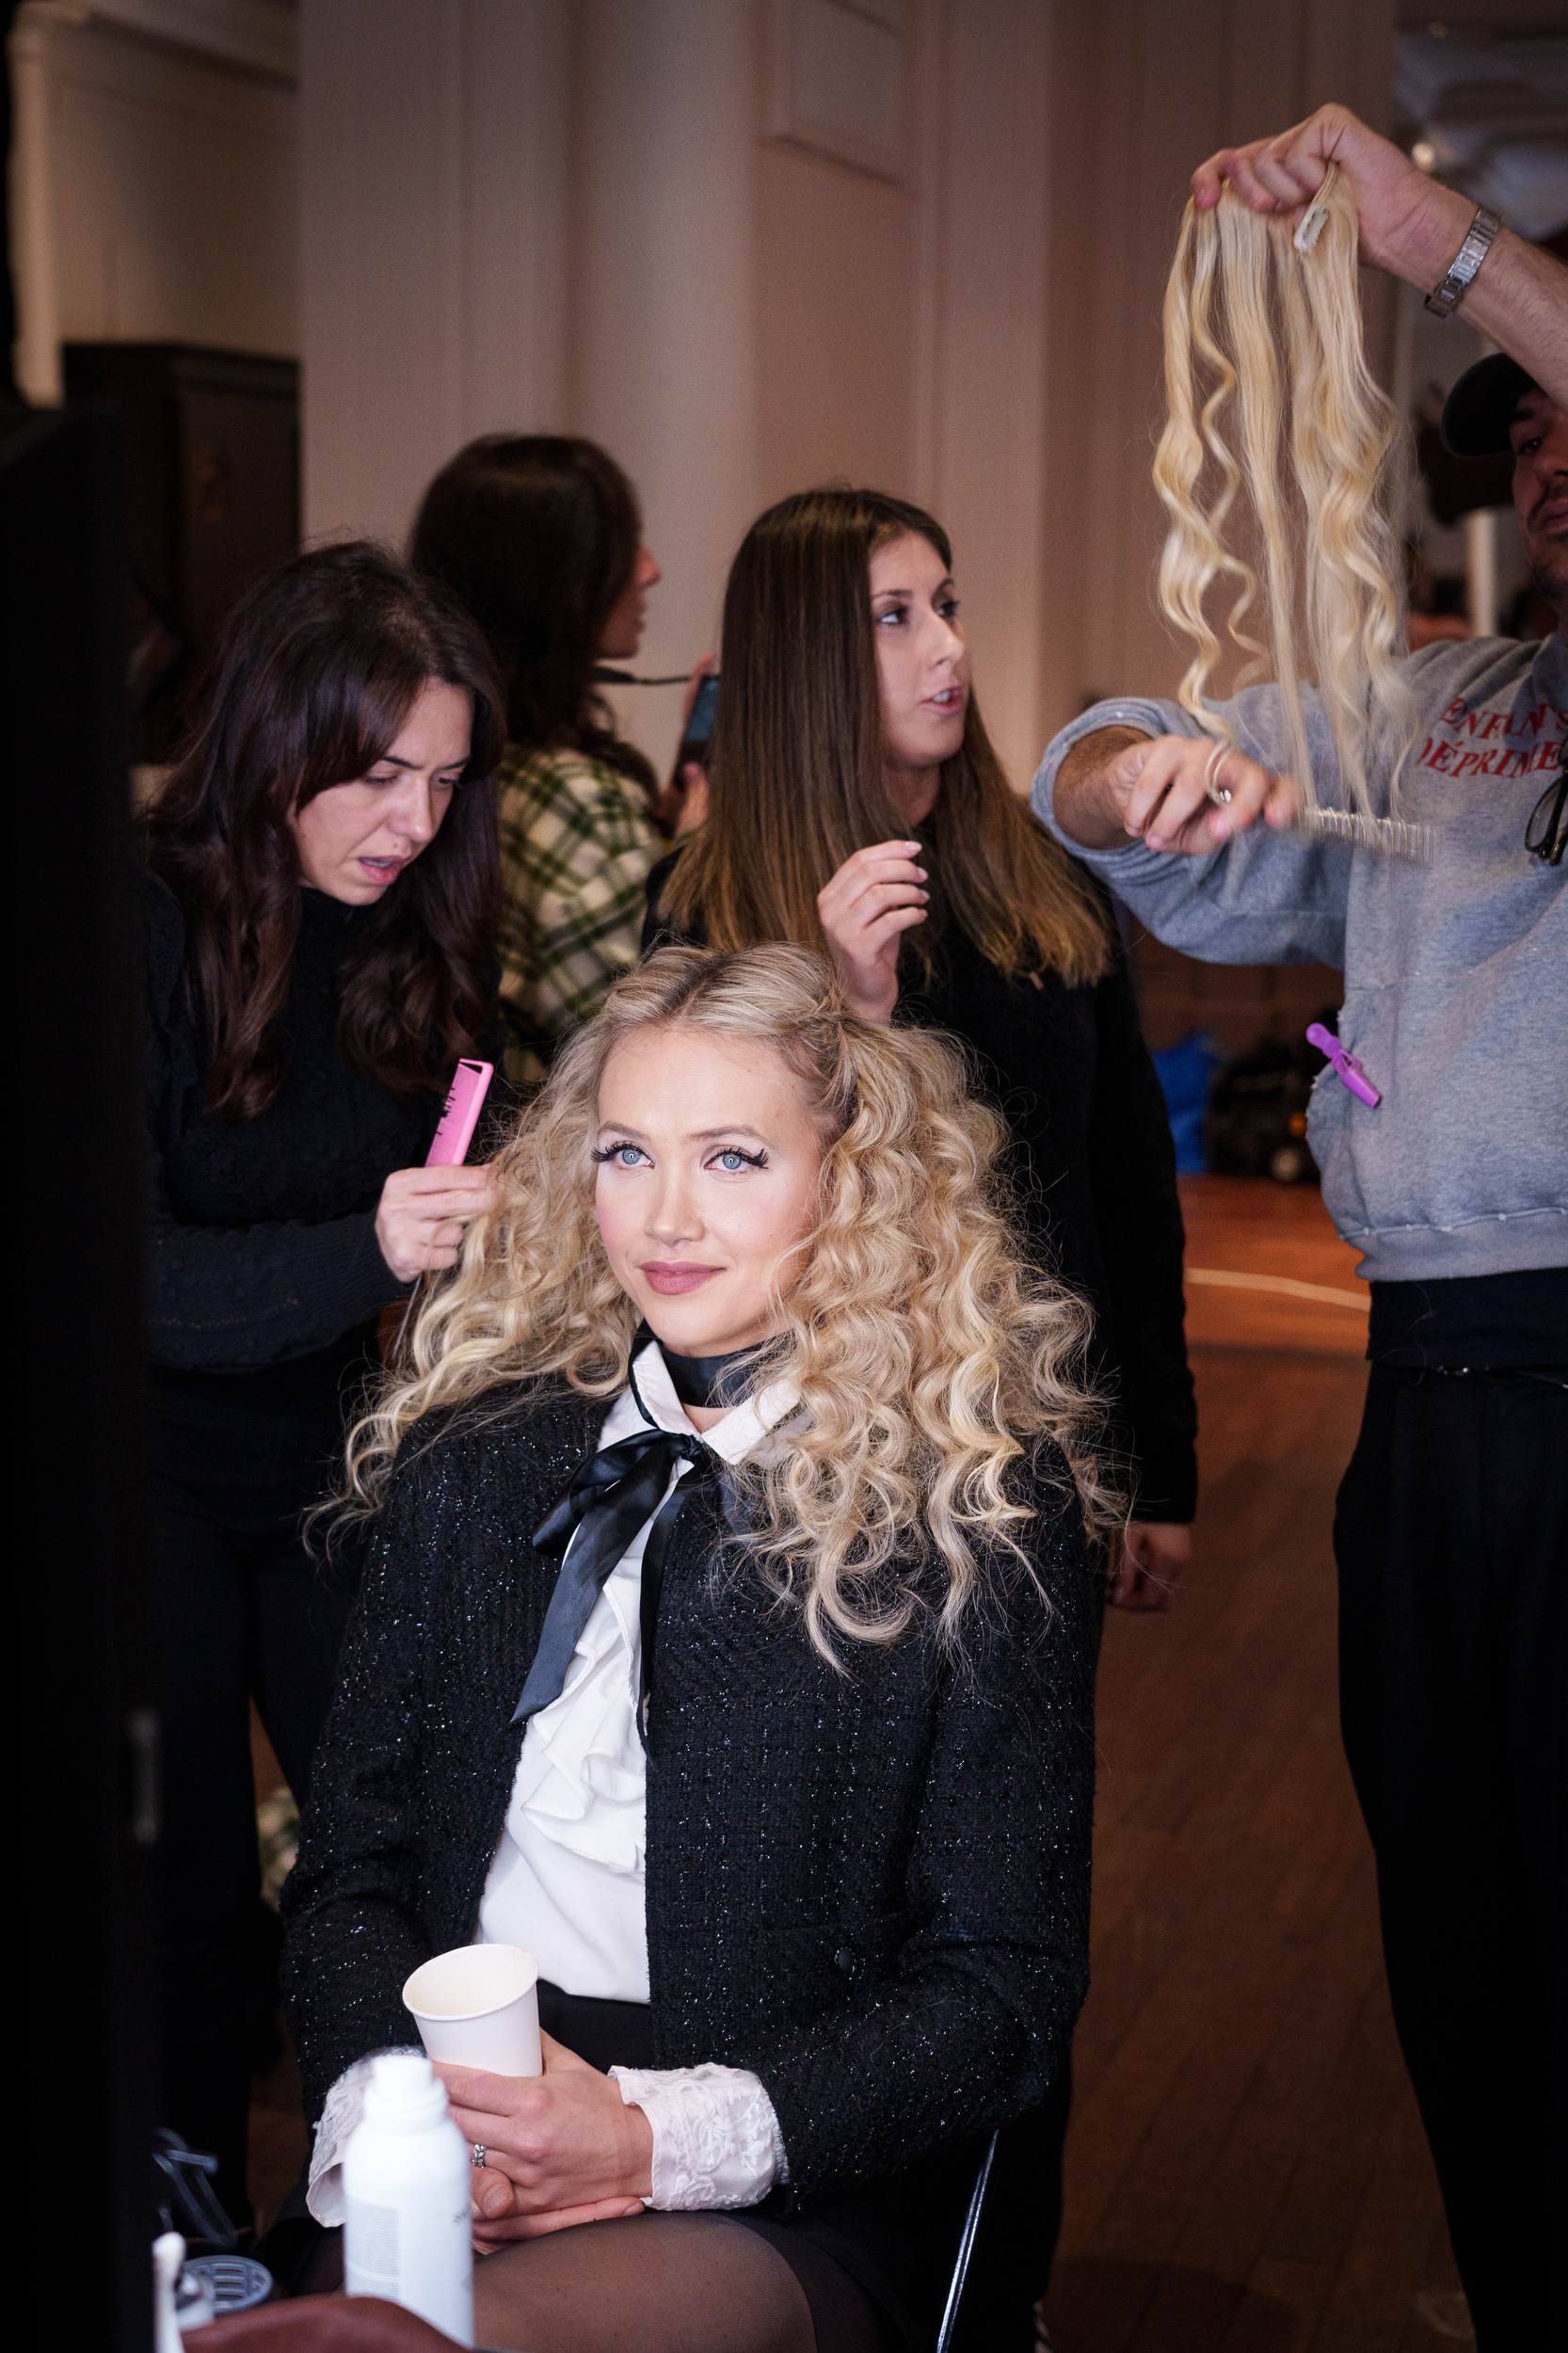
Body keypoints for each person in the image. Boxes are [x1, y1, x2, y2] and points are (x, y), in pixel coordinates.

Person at [1035, 104, 1567, 2352]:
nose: (1548, 462)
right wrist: (1134, 773)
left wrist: (1436, 235)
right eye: (1529, 439)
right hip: (1427, 1409)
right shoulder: (1448, 710)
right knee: (1461, 1936)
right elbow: (1095, 764)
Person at [276, 943, 1105, 2353]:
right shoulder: (478, 1459)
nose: (664, 1218)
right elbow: (349, 1871)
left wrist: (652, 2141)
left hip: (778, 2170)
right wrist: (398, 2120)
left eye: (731, 1159)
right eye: (624, 1154)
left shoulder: (972, 1511)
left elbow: (1002, 1989)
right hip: (460, 2119)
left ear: (848, 1183)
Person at [645, 488, 1197, 1617]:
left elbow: (1128, 1188)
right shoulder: (708, 905)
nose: (948, 647)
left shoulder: (1047, 878)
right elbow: (700, 1211)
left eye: (945, 605)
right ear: (807, 658)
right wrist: (846, 1006)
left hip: (1039, 1442)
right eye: (893, 616)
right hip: (806, 1455)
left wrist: (1158, 1461)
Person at [143, 543, 506, 2225]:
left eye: (439, 781)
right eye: (374, 775)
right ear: (276, 738)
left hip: (320, 1465)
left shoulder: (403, 938)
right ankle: (192, 2241)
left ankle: (383, 2232)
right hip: (136, 1472)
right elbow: (128, 1287)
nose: (412, 822)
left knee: (397, 1863)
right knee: (183, 1896)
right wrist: (368, 1246)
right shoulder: (142, 923)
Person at [410, 435, 710, 1085]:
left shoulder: (464, 765)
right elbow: (663, 1043)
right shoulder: (577, 800)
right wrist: (689, 866)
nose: (649, 569)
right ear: (552, 583)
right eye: (621, 548)